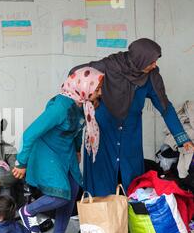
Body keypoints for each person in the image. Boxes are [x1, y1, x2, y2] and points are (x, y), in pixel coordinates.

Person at [70, 38, 194, 196]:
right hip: (103, 133)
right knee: (101, 182)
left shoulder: (151, 76)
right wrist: (89, 98)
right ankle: (101, 219)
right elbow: (75, 73)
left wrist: (183, 139)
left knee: (131, 184)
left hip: (130, 135)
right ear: (139, 59)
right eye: (151, 61)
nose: (154, 65)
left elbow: (165, 108)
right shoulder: (108, 66)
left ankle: (128, 219)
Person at [12, 67, 104, 233]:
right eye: (97, 89)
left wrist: (77, 150)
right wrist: (21, 162)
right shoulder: (59, 108)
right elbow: (30, 134)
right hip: (47, 153)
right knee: (60, 195)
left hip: (66, 153)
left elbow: (78, 128)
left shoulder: (82, 104)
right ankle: (27, 211)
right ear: (84, 86)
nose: (99, 93)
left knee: (74, 189)